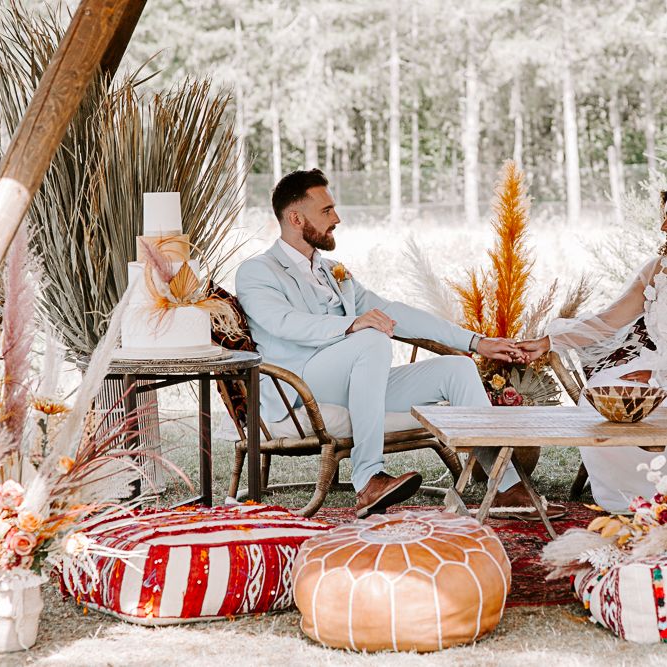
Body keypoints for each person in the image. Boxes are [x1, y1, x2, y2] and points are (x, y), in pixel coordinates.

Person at [236, 168, 563, 518]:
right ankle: (367, 480)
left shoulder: (331, 270)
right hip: (299, 384)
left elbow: (392, 312)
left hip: (355, 376)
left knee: (456, 369)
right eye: (327, 211)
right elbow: (284, 323)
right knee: (372, 338)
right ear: (296, 217)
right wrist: (354, 323)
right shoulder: (258, 271)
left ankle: (506, 487)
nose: (337, 219)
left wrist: (475, 341)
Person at [518, 191, 667, 511]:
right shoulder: (656, 269)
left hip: (662, 370)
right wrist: (549, 343)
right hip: (653, 361)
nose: (664, 227)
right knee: (601, 396)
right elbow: (608, 320)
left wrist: (659, 374)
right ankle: (631, 501)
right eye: (664, 217)